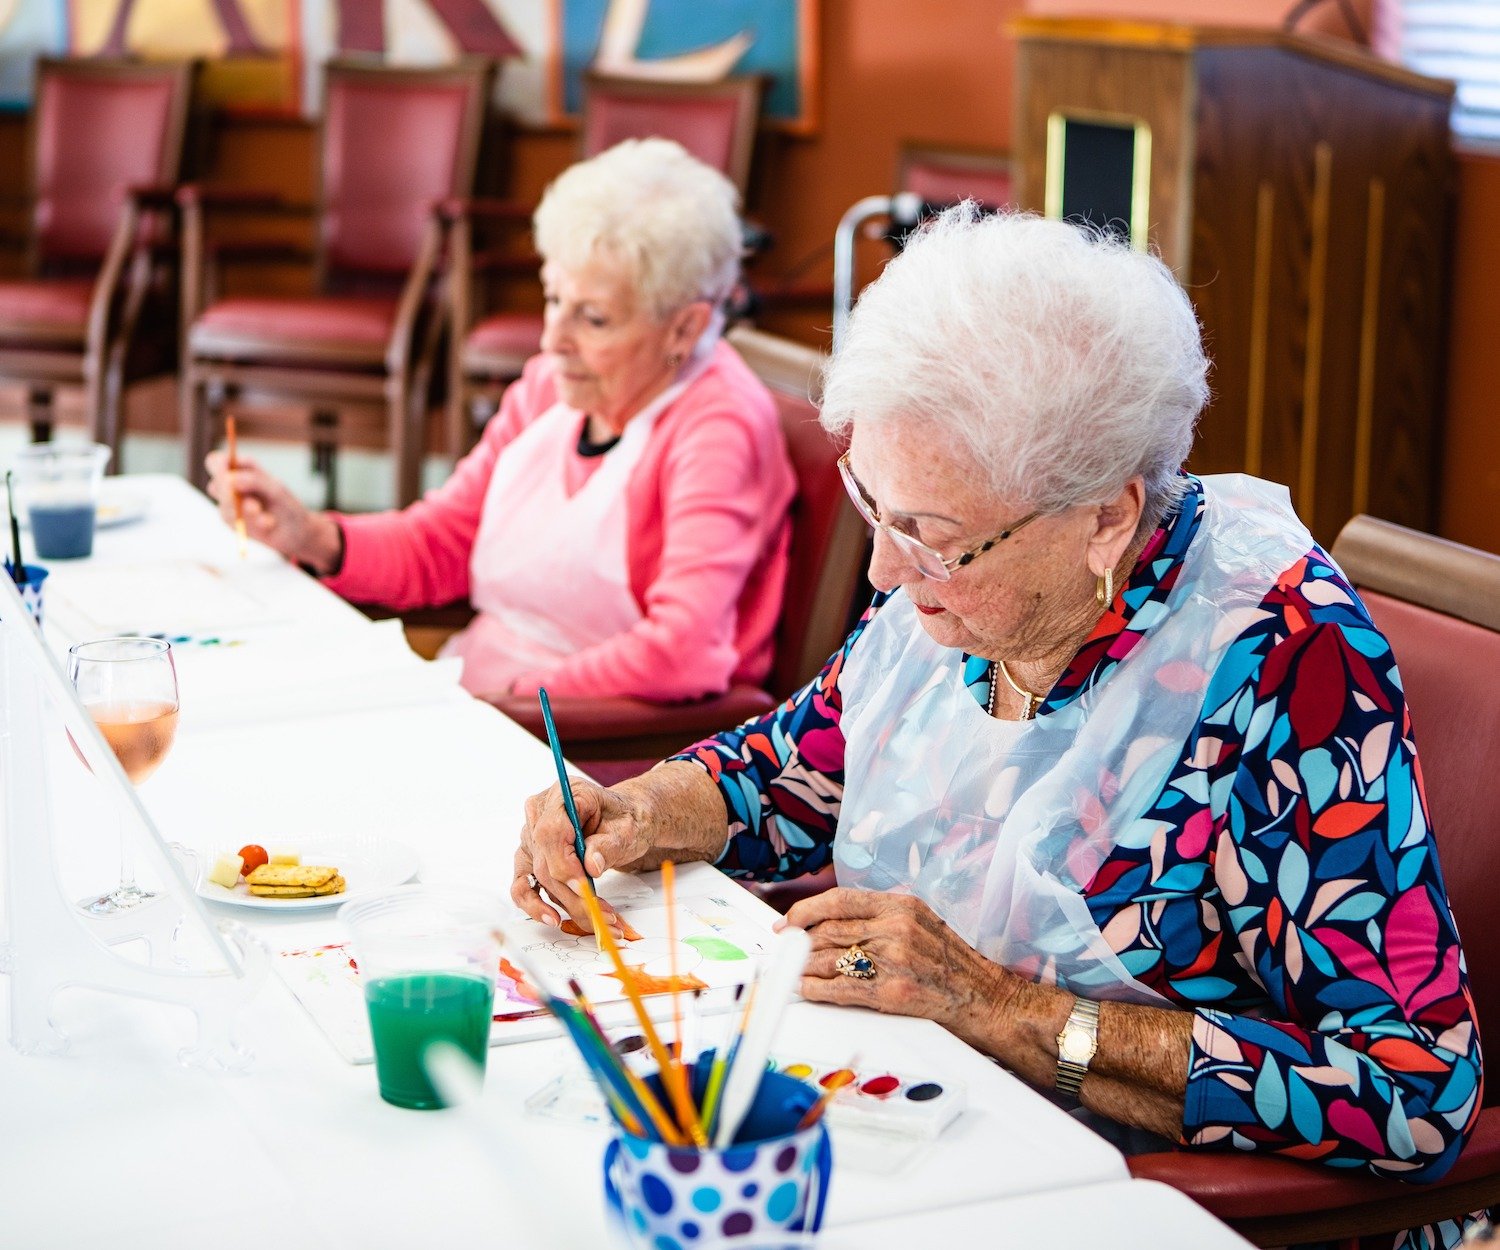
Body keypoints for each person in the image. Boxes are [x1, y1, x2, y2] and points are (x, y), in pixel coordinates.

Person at [515, 209, 1484, 1247]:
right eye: (871, 506)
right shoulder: (970, 591)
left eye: (927, 537)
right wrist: (644, 805)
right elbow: (793, 769)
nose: (884, 572)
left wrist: (996, 1005)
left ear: (1105, 515)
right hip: (931, 1145)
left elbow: (1409, 1089)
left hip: (1135, 1205)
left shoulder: (1285, 669)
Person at [206, 139, 795, 702]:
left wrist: (510, 700)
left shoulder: (717, 423)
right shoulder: (547, 388)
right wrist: (310, 535)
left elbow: (680, 654)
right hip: (488, 697)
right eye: (553, 298)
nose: (552, 340)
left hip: (597, 754)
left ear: (685, 329)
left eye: (593, 319)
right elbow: (439, 545)